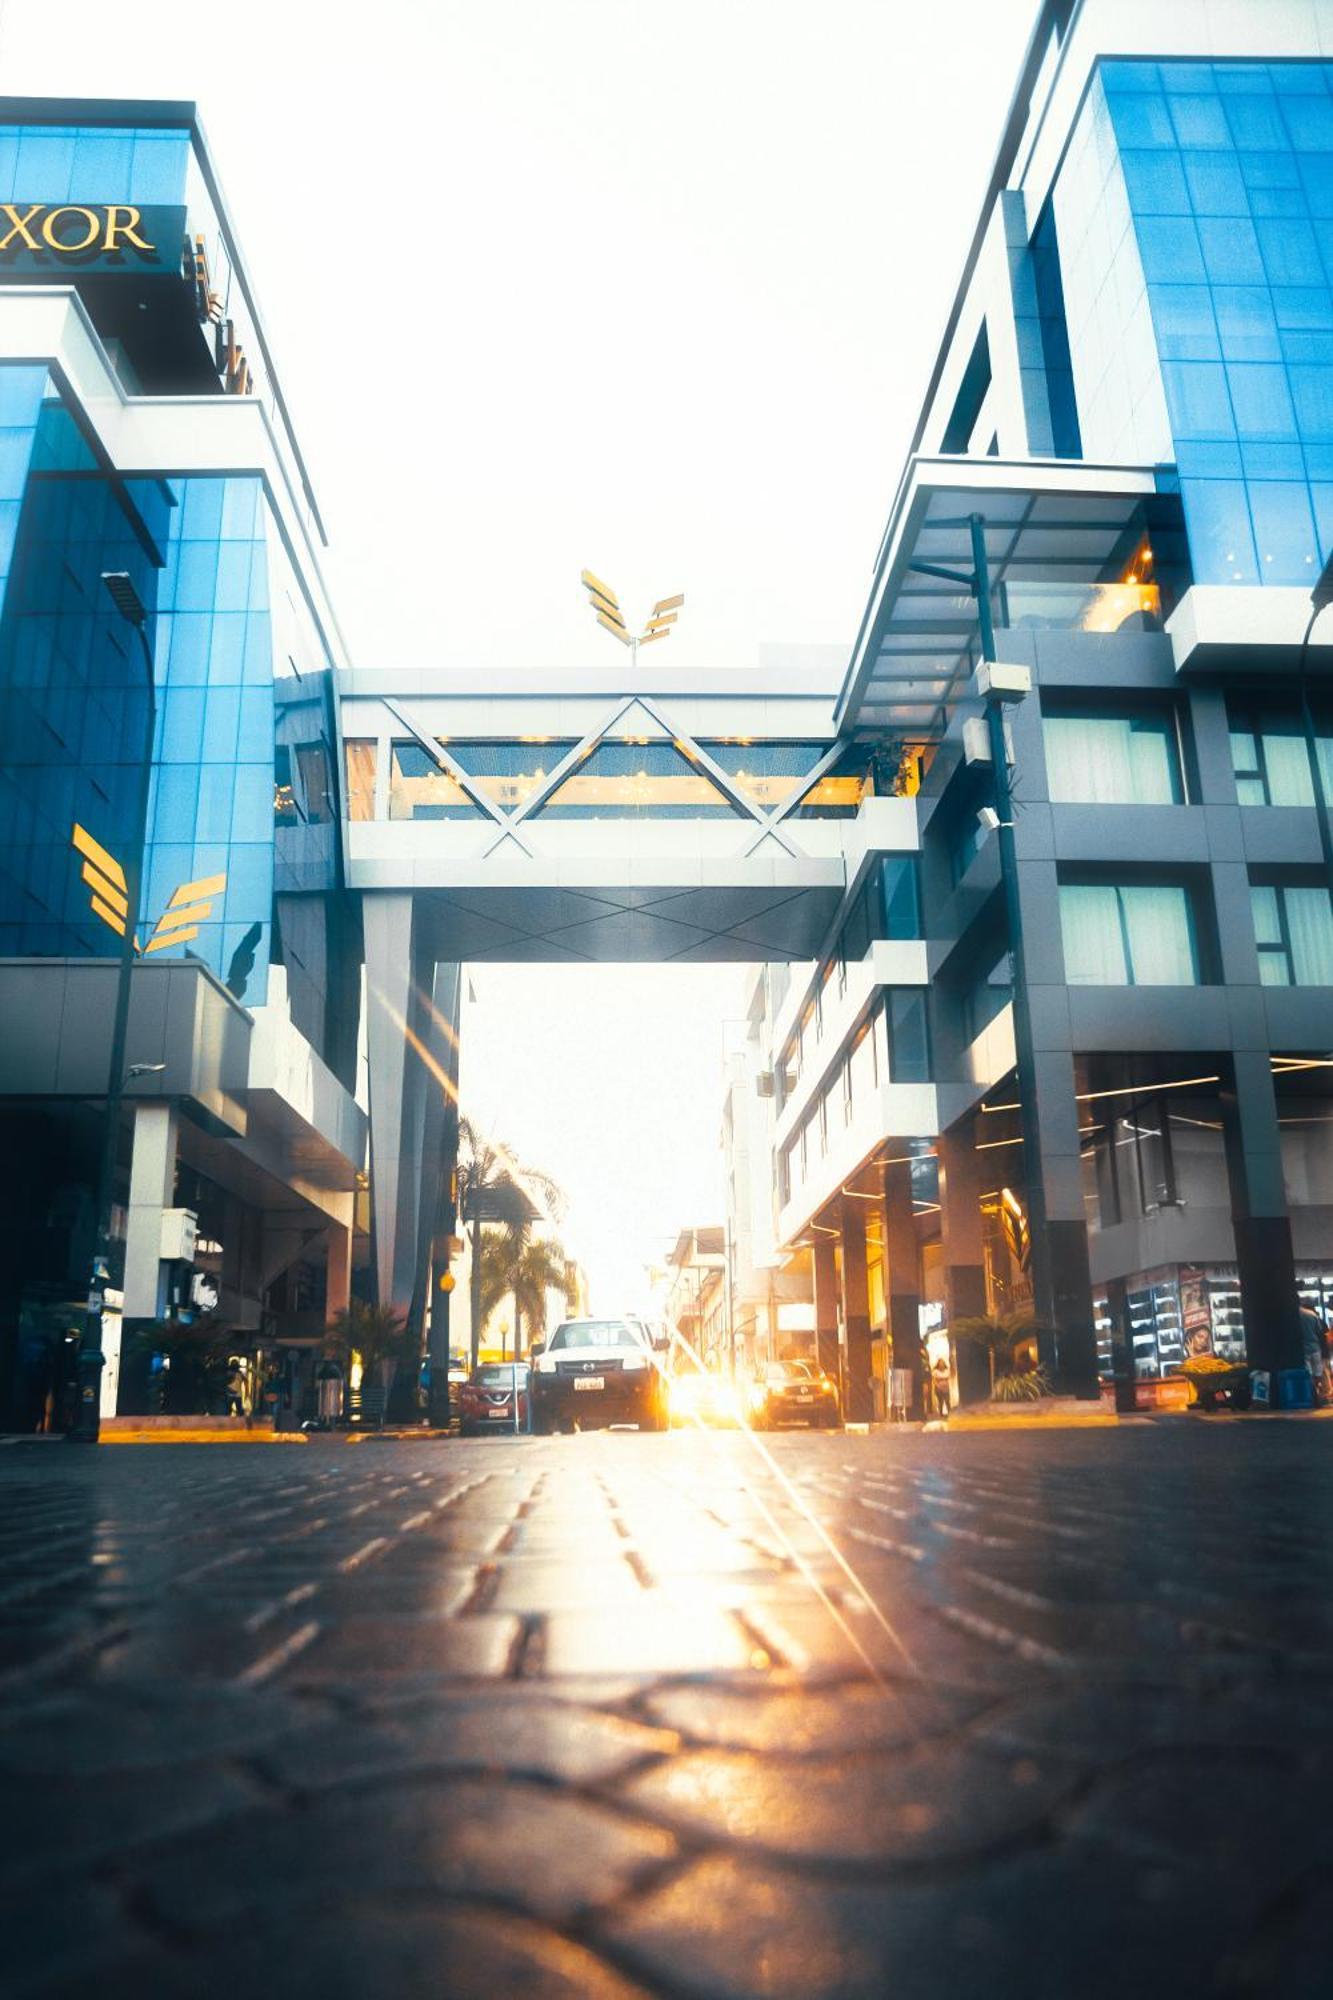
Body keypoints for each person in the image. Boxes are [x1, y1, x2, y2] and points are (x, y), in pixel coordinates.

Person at [1300, 1304, 1330, 1404]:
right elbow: (1320, 1331)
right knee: (1318, 1373)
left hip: (1303, 1349)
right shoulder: (1312, 1314)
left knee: (1308, 1374)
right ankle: (1319, 1394)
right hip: (1316, 1348)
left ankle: (1311, 1394)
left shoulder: (1294, 1315)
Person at [931, 1353, 953, 1421]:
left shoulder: (947, 1370)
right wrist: (937, 1386)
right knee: (940, 1401)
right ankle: (941, 1414)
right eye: (940, 1363)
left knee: (947, 1401)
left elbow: (949, 1376)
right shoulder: (935, 1371)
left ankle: (949, 1413)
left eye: (942, 1363)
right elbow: (934, 1380)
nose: (941, 1364)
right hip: (939, 1388)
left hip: (946, 1388)